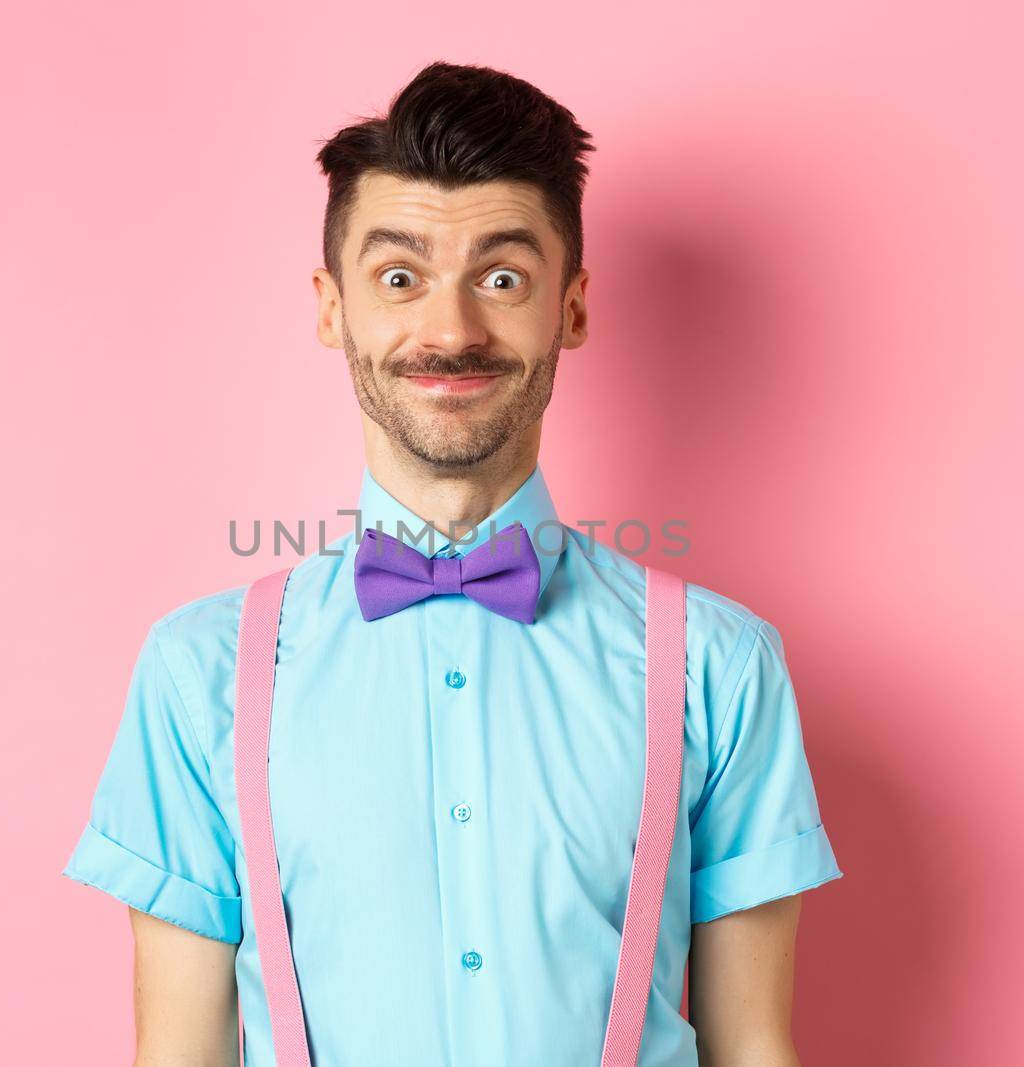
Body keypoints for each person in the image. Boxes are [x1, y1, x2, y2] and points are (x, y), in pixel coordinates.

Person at [62, 60, 842, 1066]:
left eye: (502, 277)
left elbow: (752, 1047)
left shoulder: (718, 664)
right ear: (332, 306)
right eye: (400, 277)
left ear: (569, 307)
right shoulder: (199, 670)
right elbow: (178, 1055)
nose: (450, 329)